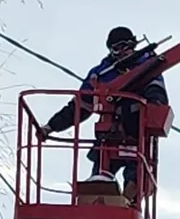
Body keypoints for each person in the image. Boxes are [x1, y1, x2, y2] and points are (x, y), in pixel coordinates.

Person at [37, 27, 167, 198]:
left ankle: (129, 202)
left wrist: (154, 109)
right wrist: (50, 127)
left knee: (135, 177)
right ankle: (98, 199)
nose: (123, 52)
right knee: (100, 174)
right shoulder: (102, 74)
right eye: (117, 48)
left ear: (134, 45)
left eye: (126, 46)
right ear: (111, 49)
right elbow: (79, 106)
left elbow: (156, 94)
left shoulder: (147, 67)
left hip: (136, 135)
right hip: (109, 134)